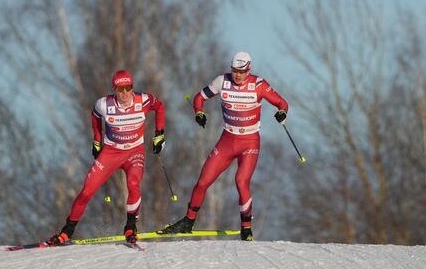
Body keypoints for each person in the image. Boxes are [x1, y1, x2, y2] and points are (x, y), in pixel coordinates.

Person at [159, 52, 288, 241]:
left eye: (241, 72)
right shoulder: (222, 81)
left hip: (249, 142)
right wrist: (199, 113)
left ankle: (246, 228)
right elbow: (198, 98)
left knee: (241, 181)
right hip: (227, 140)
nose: (237, 75)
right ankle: (188, 221)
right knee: (203, 181)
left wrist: (282, 113)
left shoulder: (259, 85)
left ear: (248, 70)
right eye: (234, 70)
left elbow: (282, 103)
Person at [47, 69, 166, 245]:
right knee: (87, 190)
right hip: (111, 152)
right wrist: (97, 141)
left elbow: (160, 107)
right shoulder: (104, 104)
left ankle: (131, 227)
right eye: (120, 89)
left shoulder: (144, 100)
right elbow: (95, 118)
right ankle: (67, 231)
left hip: (134, 152)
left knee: (133, 184)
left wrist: (159, 134)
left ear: (132, 87)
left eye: (128, 87)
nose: (124, 93)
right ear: (114, 90)